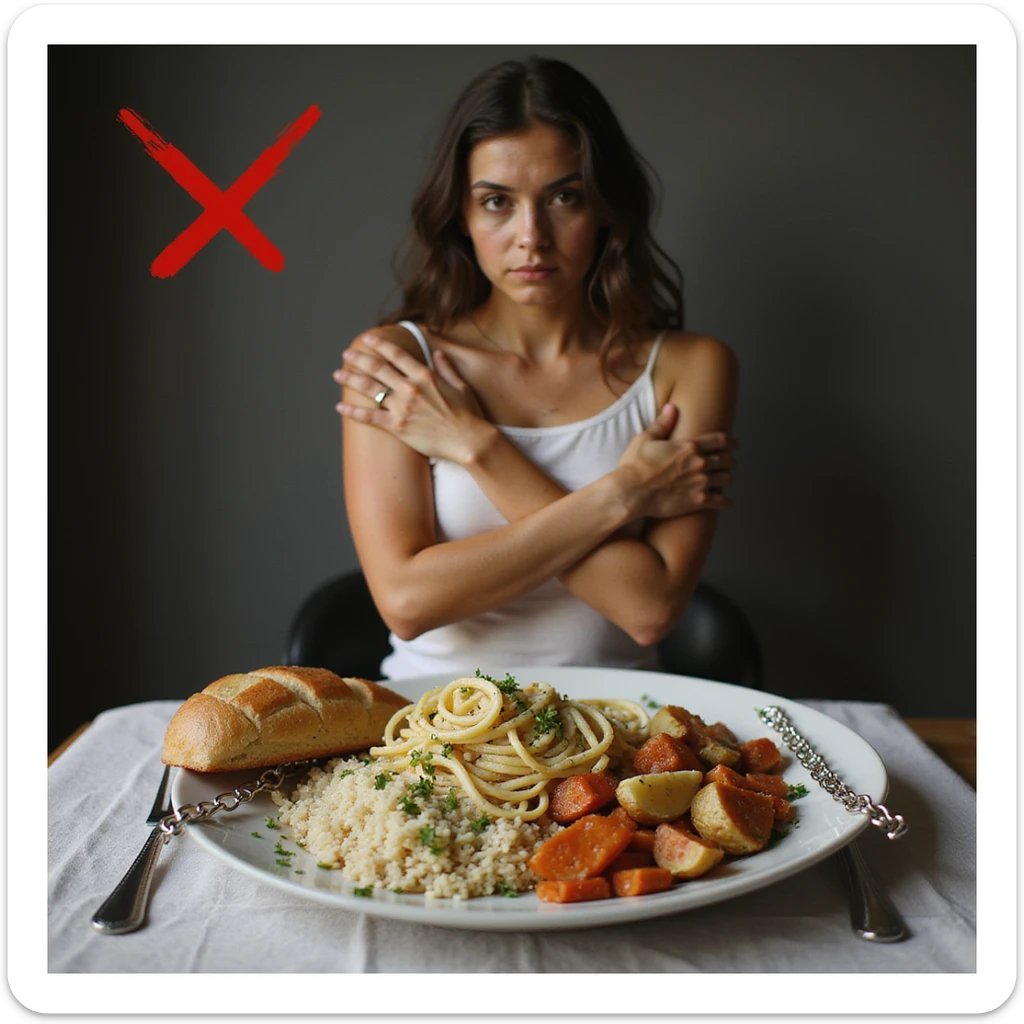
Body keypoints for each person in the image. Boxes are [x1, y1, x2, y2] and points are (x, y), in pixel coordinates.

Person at [333, 57, 738, 681]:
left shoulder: (689, 367)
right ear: (461, 218)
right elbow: (408, 602)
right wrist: (623, 492)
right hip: (432, 724)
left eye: (564, 197)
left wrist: (476, 446)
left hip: (621, 732)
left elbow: (648, 608)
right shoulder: (401, 364)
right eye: (497, 201)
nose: (532, 236)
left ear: (605, 208)